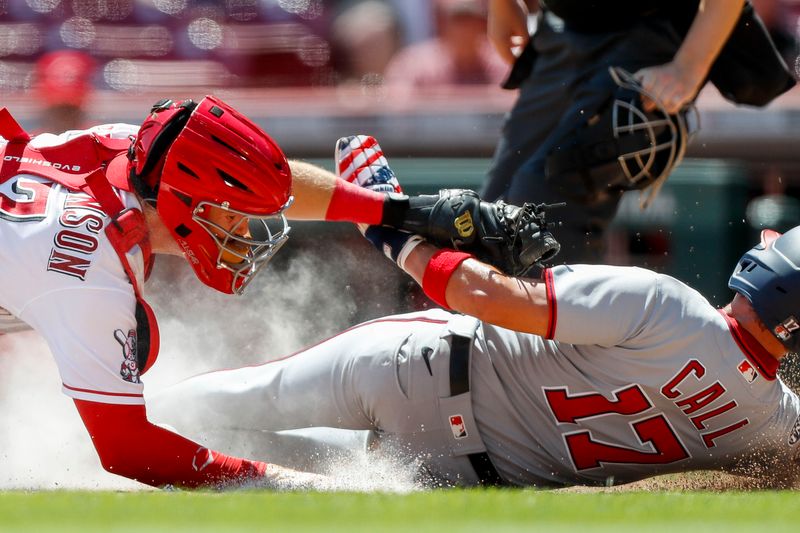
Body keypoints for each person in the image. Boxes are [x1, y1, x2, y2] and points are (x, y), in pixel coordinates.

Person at [150, 137, 800, 488]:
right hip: (448, 475)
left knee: (197, 416)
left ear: (771, 278)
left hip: (416, 370)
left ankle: (83, 432)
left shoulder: (666, 305)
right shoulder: (774, 422)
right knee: (243, 459)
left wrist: (391, 230)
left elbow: (484, 297)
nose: (768, 240)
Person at [0, 99, 545, 489]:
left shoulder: (130, 151)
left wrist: (399, 212)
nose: (247, 227)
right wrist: (301, 486)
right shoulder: (86, 268)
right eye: (233, 215)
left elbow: (270, 187)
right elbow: (128, 450)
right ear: (186, 207)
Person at [482, 0, 796, 263]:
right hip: (563, 25)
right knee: (493, 218)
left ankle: (561, 332)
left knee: (543, 199)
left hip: (650, 27)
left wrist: (689, 65)